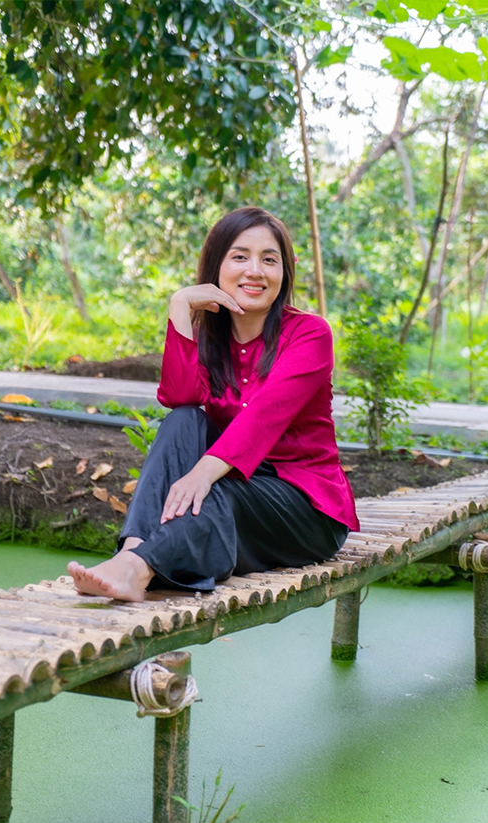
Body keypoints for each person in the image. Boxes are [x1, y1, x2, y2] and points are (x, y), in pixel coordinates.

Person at [67, 207, 359, 602]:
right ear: (217, 266)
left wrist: (202, 473)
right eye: (240, 257)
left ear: (284, 272)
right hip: (242, 489)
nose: (254, 271)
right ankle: (133, 548)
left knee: (218, 492)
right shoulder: (211, 338)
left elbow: (263, 417)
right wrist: (180, 305)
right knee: (183, 420)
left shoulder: (310, 334)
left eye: (269, 260)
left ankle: (137, 568)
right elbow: (180, 398)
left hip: (306, 508)